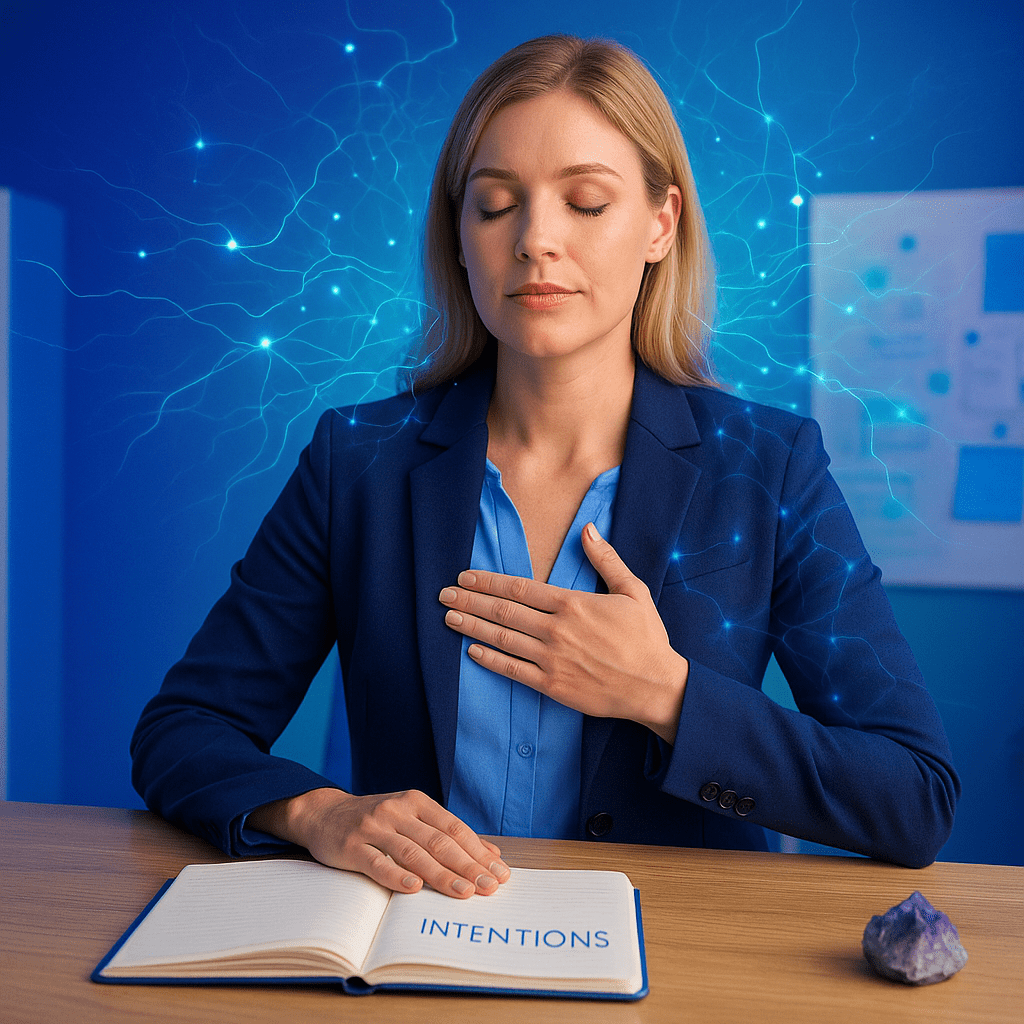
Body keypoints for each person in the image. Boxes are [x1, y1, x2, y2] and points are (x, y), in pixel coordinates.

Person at [131, 35, 959, 901]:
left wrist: (667, 693)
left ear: (659, 223)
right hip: (427, 952)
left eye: (587, 203)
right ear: (458, 234)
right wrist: (316, 812)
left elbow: (913, 796)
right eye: (495, 205)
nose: (535, 240)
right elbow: (185, 730)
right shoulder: (358, 463)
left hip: (675, 960)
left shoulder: (768, 466)